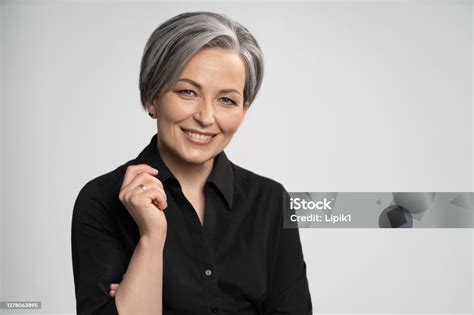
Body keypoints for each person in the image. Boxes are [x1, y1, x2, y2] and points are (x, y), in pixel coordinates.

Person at [71, 11, 312, 314]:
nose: (206, 117)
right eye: (187, 92)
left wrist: (138, 295)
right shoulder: (101, 200)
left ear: (244, 109)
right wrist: (151, 238)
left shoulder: (270, 201)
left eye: (227, 100)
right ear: (151, 96)